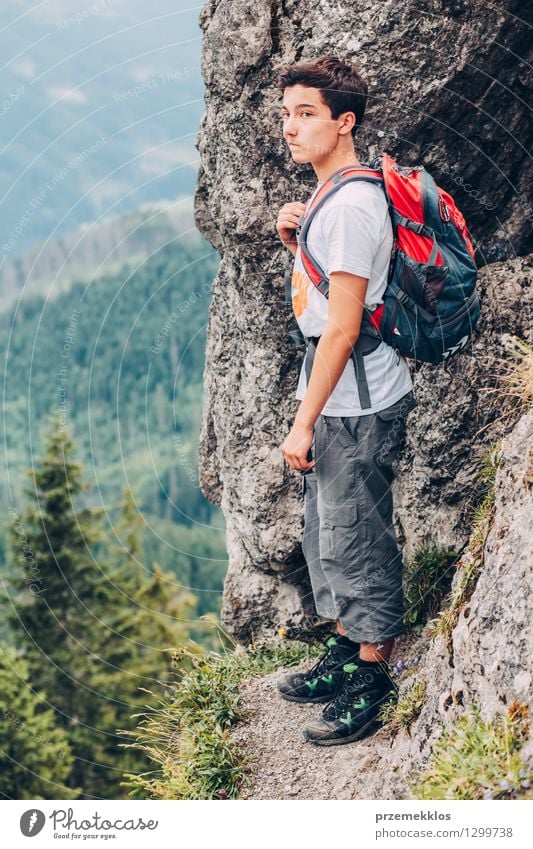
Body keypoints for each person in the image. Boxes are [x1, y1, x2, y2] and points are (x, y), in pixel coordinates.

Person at [275, 55, 416, 746]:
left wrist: (303, 421)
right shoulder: (331, 198)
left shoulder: (353, 206)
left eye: (306, 114)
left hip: (356, 402)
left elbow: (344, 325)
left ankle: (371, 672)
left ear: (344, 121)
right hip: (333, 396)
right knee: (329, 532)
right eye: (286, 114)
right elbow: (326, 294)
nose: (291, 128)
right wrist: (295, 240)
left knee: (359, 537)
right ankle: (343, 643)